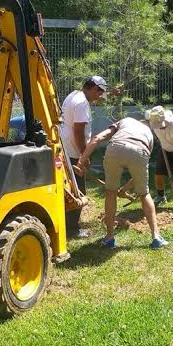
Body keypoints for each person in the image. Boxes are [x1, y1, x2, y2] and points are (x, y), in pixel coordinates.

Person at [75, 117, 168, 249]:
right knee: (144, 193)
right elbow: (138, 176)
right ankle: (156, 238)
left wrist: (81, 162)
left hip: (115, 148)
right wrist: (125, 188)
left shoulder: (125, 120)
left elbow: (97, 138)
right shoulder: (150, 135)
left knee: (110, 193)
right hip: (140, 150)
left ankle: (109, 238)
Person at [59, 76, 108, 235]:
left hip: (65, 148)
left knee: (67, 189)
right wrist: (84, 156)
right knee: (77, 192)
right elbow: (79, 132)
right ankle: (72, 229)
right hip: (74, 152)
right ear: (94, 88)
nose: (98, 98)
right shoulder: (82, 103)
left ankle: (64, 225)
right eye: (99, 94)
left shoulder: (73, 95)